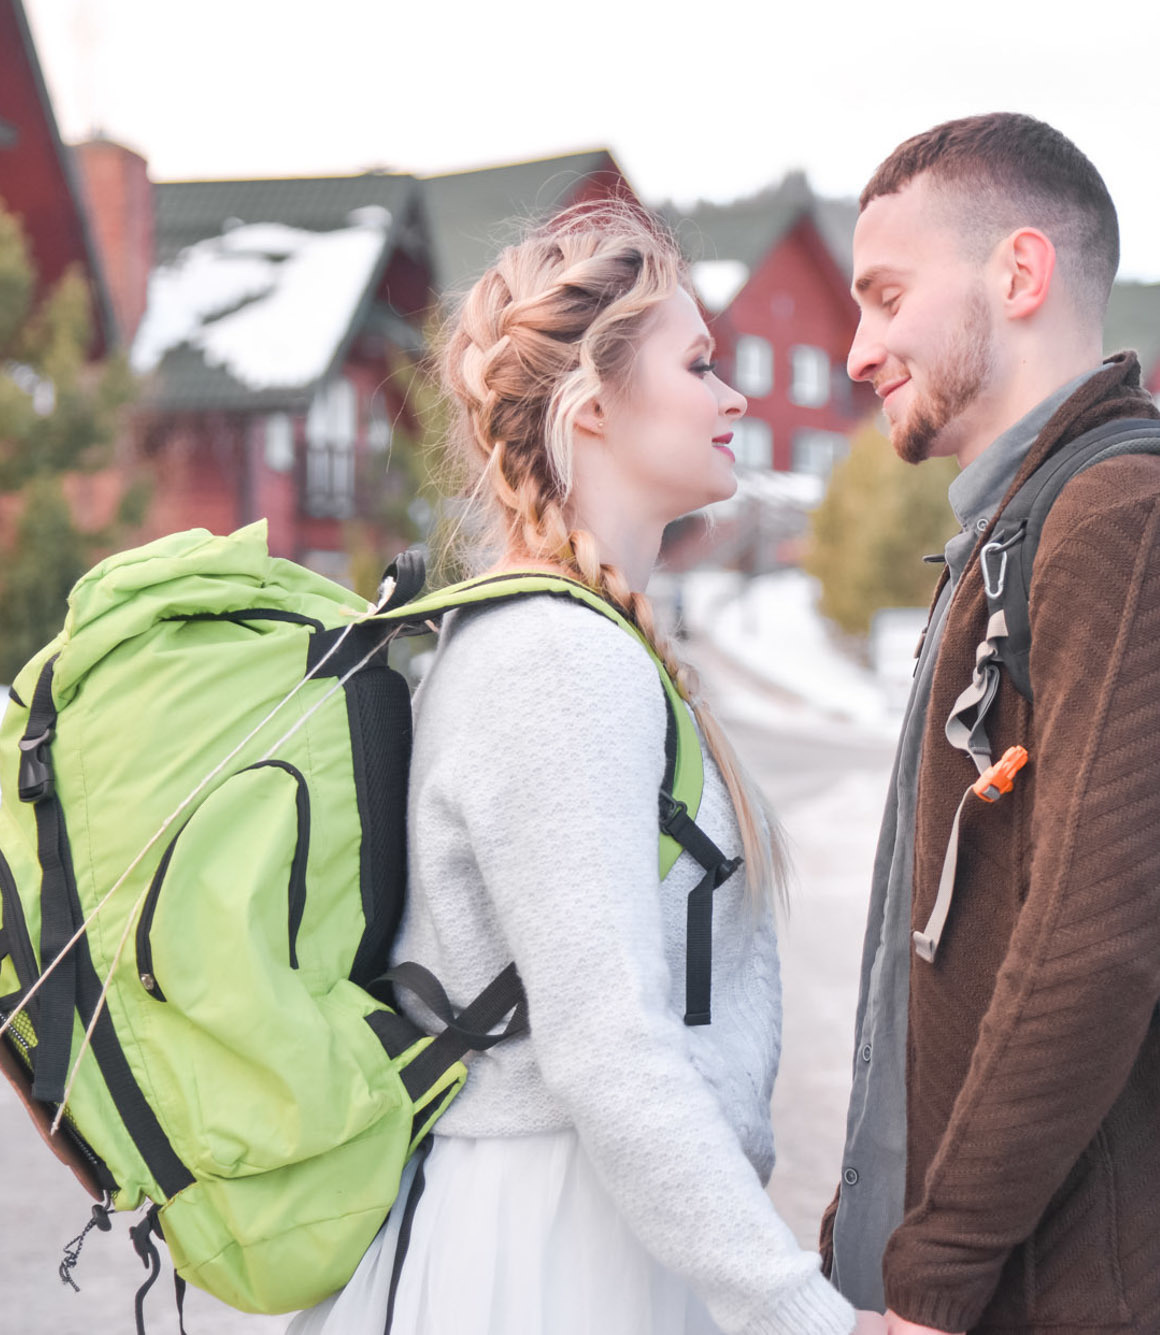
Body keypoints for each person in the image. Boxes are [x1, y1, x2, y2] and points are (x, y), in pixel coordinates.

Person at [291, 204, 875, 1335]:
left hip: (585, 1229)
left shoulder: (570, 640)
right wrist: (803, 1316)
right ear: (593, 406)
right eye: (700, 364)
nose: (735, 396)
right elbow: (607, 1047)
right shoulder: (558, 660)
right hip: (555, 1250)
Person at [821, 114, 1160, 1334]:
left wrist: (933, 1271)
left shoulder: (1133, 514)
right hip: (1043, 1274)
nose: (853, 350)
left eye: (886, 298)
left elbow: (1086, 947)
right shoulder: (1026, 526)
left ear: (1019, 273)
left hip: (1133, 1280)